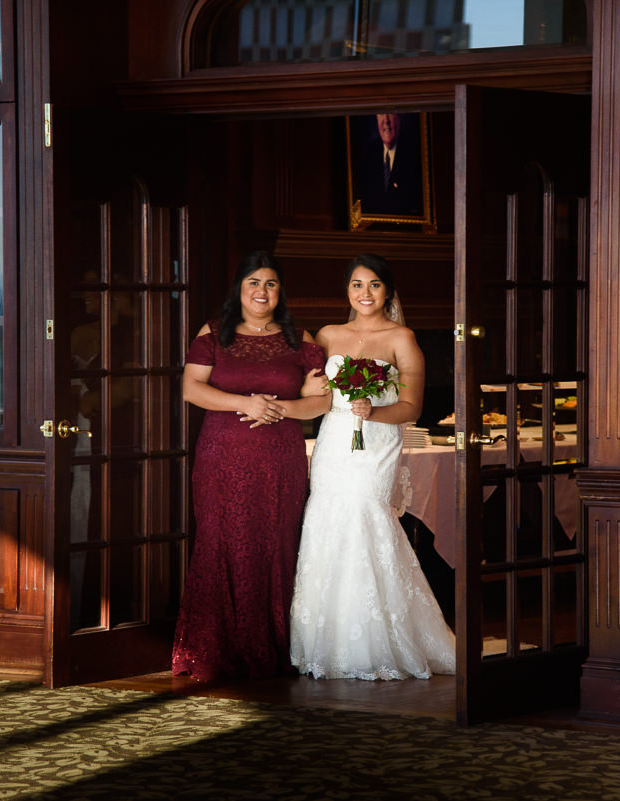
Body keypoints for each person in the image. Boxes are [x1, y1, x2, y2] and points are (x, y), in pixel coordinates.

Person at [290, 254, 456, 680]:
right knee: (327, 519)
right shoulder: (328, 334)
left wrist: (373, 412)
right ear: (347, 290)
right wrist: (304, 390)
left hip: (376, 442)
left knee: (366, 518)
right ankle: (327, 642)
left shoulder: (402, 337)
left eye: (375, 285)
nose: (366, 293)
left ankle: (378, 640)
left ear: (388, 291)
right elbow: (312, 389)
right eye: (357, 285)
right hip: (333, 443)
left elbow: (412, 407)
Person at [172, 251, 328, 681]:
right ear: (239, 289)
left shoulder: (300, 338)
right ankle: (211, 649)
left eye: (271, 284)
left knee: (276, 543)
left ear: (281, 292)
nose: (262, 291)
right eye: (254, 283)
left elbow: (323, 400)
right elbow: (191, 390)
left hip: (280, 458)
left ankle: (275, 647)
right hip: (222, 456)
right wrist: (248, 403)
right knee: (221, 542)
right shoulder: (214, 332)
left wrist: (281, 410)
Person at [356, 113, 424, 217]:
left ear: (399, 117)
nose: (386, 121)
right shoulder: (370, 151)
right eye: (381, 114)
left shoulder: (415, 152)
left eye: (390, 113)